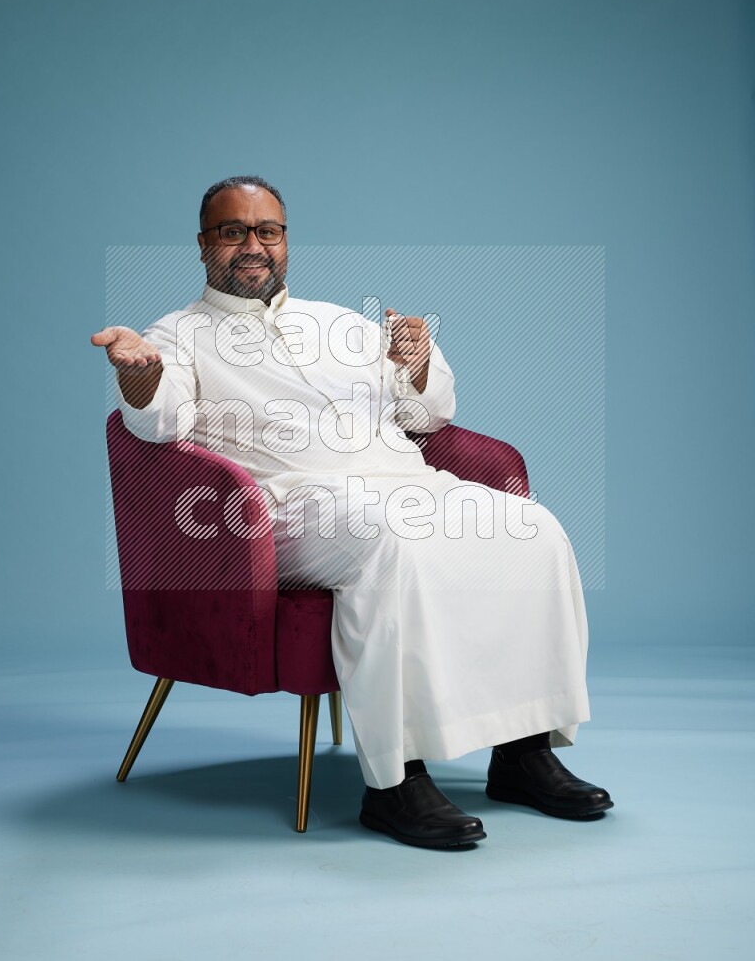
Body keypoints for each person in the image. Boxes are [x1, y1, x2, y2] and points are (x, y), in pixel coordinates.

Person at [91, 174, 613, 849]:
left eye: (267, 231)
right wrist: (137, 372)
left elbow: (428, 415)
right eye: (233, 231)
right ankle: (395, 783)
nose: (252, 245)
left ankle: (523, 753)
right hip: (284, 509)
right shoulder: (177, 334)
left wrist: (418, 362)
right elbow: (160, 425)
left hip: (403, 483)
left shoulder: (338, 321)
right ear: (203, 245)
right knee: (392, 541)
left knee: (534, 529)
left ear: (285, 241)